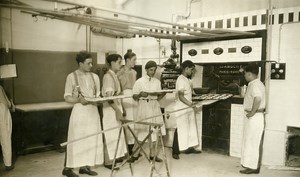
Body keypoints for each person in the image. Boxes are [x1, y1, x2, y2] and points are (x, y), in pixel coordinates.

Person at [63, 51, 103, 177]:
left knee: (91, 138)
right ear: (80, 63)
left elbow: (97, 95)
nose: (91, 65)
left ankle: (85, 167)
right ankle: (68, 168)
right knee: (76, 139)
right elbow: (67, 97)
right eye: (88, 63)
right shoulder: (71, 77)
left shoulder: (95, 77)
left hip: (92, 111)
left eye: (91, 63)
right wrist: (79, 99)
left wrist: (100, 100)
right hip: (79, 111)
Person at [131, 60, 166, 162]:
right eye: (151, 70)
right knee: (141, 130)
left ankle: (153, 155)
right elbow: (134, 96)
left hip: (154, 106)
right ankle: (135, 154)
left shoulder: (157, 82)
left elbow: (158, 96)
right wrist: (140, 95)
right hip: (143, 105)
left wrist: (164, 93)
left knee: (155, 131)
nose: (153, 72)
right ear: (146, 69)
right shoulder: (139, 81)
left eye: (154, 70)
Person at [172, 60, 201, 160]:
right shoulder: (180, 79)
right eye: (191, 70)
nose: (192, 72)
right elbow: (180, 96)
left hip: (188, 107)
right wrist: (191, 104)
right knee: (180, 128)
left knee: (189, 127)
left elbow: (189, 94)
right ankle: (175, 151)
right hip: (181, 108)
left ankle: (188, 147)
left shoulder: (188, 80)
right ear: (186, 69)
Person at [102, 54, 127, 170]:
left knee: (116, 133)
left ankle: (115, 157)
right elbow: (109, 97)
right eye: (118, 62)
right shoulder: (108, 77)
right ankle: (108, 161)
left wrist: (122, 109)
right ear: (112, 63)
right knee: (110, 133)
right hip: (110, 110)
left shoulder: (115, 76)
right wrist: (117, 110)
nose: (120, 64)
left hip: (116, 108)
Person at [240, 63, 265, 174]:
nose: (244, 75)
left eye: (245, 73)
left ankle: (253, 167)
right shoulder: (253, 84)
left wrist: (251, 112)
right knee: (250, 141)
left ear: (249, 73)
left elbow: (258, 99)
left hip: (255, 117)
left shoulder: (255, 85)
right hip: (254, 117)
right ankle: (250, 166)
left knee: (253, 142)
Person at [117, 49, 137, 155]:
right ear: (128, 60)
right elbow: (118, 89)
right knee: (127, 123)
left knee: (134, 124)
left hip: (133, 98)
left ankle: (132, 149)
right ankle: (127, 151)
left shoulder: (134, 72)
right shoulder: (119, 72)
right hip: (124, 98)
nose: (135, 62)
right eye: (134, 60)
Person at [0, 85, 15, 171]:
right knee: (5, 137)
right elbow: (6, 103)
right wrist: (11, 104)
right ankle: (8, 164)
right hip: (2, 112)